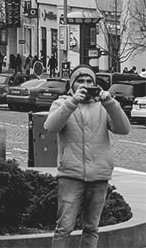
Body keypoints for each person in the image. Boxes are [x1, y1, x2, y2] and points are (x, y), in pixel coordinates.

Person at [45, 65, 131, 247]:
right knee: (64, 228)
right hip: (71, 175)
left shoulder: (102, 106)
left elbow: (124, 129)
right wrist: (72, 102)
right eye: (80, 81)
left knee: (92, 228)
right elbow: (51, 127)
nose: (85, 84)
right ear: (72, 84)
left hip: (99, 176)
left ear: (95, 84)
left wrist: (110, 103)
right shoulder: (62, 103)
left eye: (89, 81)